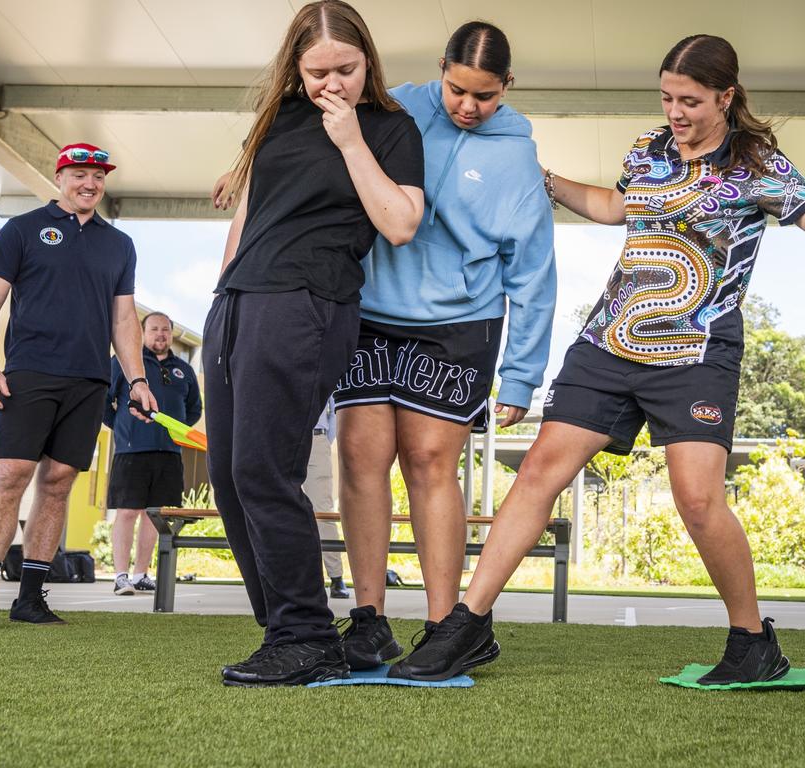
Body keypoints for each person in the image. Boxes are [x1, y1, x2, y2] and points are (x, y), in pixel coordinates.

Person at [389, 34, 805, 683]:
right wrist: (552, 183)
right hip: (610, 340)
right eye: (668, 97)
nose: (676, 111)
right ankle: (466, 627)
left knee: (698, 500)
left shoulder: (755, 161)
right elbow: (618, 207)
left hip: (698, 347)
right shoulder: (649, 149)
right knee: (538, 474)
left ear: (726, 96)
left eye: (691, 101)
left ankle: (753, 641)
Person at [205, 0, 424, 687]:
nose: (333, 84)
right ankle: (288, 630)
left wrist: (350, 137)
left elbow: (400, 223)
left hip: (306, 303)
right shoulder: (279, 120)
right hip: (239, 303)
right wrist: (221, 294)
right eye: (318, 72)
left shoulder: (389, 128)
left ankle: (305, 635)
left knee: (266, 472)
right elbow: (250, 212)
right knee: (230, 480)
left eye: (347, 69)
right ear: (294, 71)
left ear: (369, 62)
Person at [330, 21, 556, 671]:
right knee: (360, 456)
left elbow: (534, 270)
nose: (468, 106)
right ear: (441, 69)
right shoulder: (392, 106)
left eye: (485, 96)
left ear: (506, 88)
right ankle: (369, 620)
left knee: (429, 461)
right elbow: (321, 144)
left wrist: (520, 376)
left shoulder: (515, 155)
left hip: (461, 319)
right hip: (371, 307)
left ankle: (443, 628)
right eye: (458, 89)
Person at [0, 143, 156, 631]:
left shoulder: (119, 244)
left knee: (59, 482)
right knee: (11, 474)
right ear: (60, 175)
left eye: (99, 176)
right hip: (29, 372)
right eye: (81, 173)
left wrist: (136, 380)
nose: (90, 183)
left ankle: (31, 597)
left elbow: (124, 317)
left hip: (89, 380)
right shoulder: (22, 229)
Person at [104, 311, 201, 596]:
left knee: (155, 515)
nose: (161, 334)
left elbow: (194, 409)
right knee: (127, 512)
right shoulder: (125, 363)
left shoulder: (184, 370)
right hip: (132, 451)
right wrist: (122, 428)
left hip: (170, 453)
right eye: (155, 329)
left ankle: (140, 574)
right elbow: (104, 401)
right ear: (143, 333)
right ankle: (121, 575)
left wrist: (176, 431)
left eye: (166, 330)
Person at [306, 398, 350, 599]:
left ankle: (336, 577)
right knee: (281, 508)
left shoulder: (322, 365)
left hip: (316, 439)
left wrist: (324, 440)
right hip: (284, 438)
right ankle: (288, 577)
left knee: (322, 510)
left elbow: (335, 411)